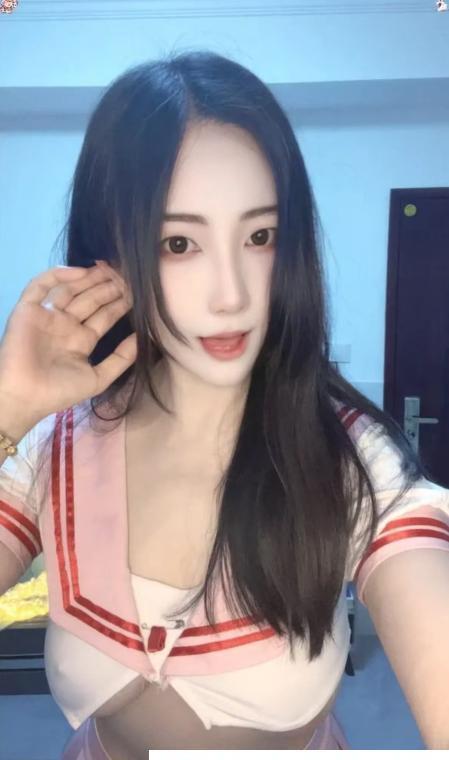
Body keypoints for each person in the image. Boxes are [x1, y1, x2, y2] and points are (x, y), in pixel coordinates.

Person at [0, 50, 448, 758]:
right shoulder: (52, 448)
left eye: (260, 237)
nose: (232, 294)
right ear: (111, 254)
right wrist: (7, 411)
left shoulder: (352, 459)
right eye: (179, 243)